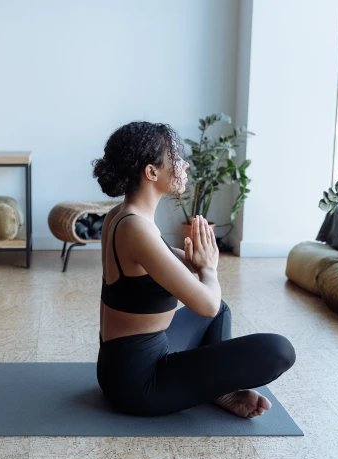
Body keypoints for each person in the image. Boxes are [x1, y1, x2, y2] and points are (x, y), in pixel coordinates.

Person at [94, 121, 295, 418]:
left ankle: (218, 390)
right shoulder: (136, 227)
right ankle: (214, 388)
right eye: (176, 159)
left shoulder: (122, 214)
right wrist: (208, 270)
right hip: (138, 384)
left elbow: (157, 262)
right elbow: (206, 304)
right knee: (279, 351)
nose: (184, 165)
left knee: (223, 310)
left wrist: (196, 258)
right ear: (151, 172)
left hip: (124, 362)